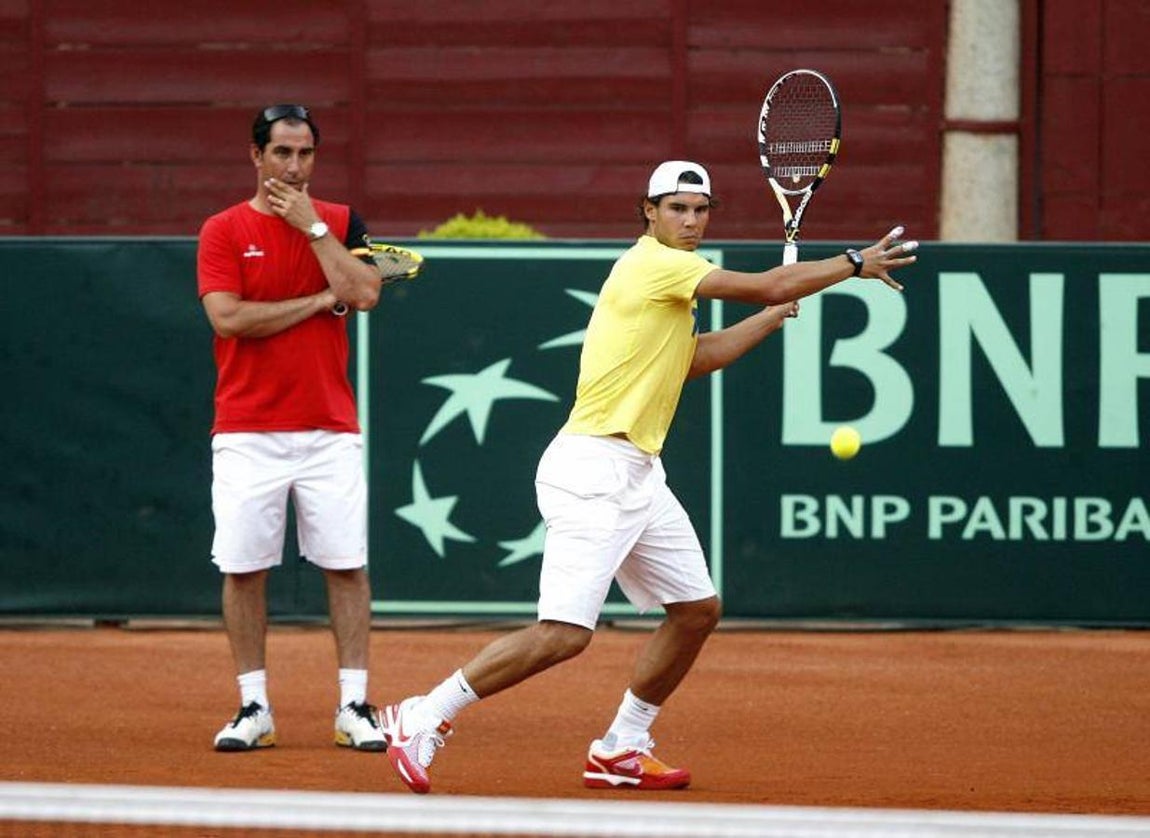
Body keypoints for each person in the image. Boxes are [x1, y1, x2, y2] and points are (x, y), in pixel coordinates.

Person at [378, 160, 918, 793]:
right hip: (590, 473)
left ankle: (622, 746)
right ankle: (423, 714)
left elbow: (695, 357)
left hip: (639, 475)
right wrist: (853, 264)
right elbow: (772, 282)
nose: (690, 221)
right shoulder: (653, 264)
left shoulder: (673, 284)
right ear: (649, 212)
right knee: (562, 636)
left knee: (695, 611)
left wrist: (770, 319)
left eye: (700, 210)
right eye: (676, 209)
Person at [196, 104, 387, 753]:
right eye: (282, 153)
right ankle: (253, 707)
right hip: (247, 429)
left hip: (330, 428)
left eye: (304, 154)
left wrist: (311, 230)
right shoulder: (222, 231)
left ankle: (353, 706)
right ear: (256, 156)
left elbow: (363, 294)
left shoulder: (338, 220)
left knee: (346, 566)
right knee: (245, 569)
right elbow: (229, 320)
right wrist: (315, 302)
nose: (294, 166)